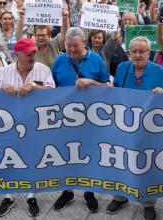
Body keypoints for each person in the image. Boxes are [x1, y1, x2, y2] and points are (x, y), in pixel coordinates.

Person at [105, 36, 163, 220]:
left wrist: (162, 94)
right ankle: (120, 196)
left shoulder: (159, 71)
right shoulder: (122, 68)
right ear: (129, 53)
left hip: (148, 130)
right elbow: (116, 92)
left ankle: (148, 203)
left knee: (145, 165)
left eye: (142, 51)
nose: (138, 55)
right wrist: (109, 87)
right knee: (121, 161)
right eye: (134, 51)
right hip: (124, 127)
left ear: (150, 53)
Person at [51, 27, 110, 213]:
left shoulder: (96, 60)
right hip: (65, 119)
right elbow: (51, 87)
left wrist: (91, 82)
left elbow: (107, 86)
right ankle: (67, 191)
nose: (71, 50)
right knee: (66, 155)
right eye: (67, 46)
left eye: (75, 46)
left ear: (84, 43)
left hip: (90, 119)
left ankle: (89, 191)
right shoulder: (60, 61)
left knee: (88, 155)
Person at [0, 38, 55, 217]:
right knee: (9, 158)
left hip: (34, 124)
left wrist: (34, 86)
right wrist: (3, 88)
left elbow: (54, 93)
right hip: (9, 124)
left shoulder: (43, 70)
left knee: (31, 158)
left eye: (34, 52)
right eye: (28, 53)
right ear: (17, 55)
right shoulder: (4, 72)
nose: (32, 56)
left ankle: (31, 195)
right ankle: (8, 195)